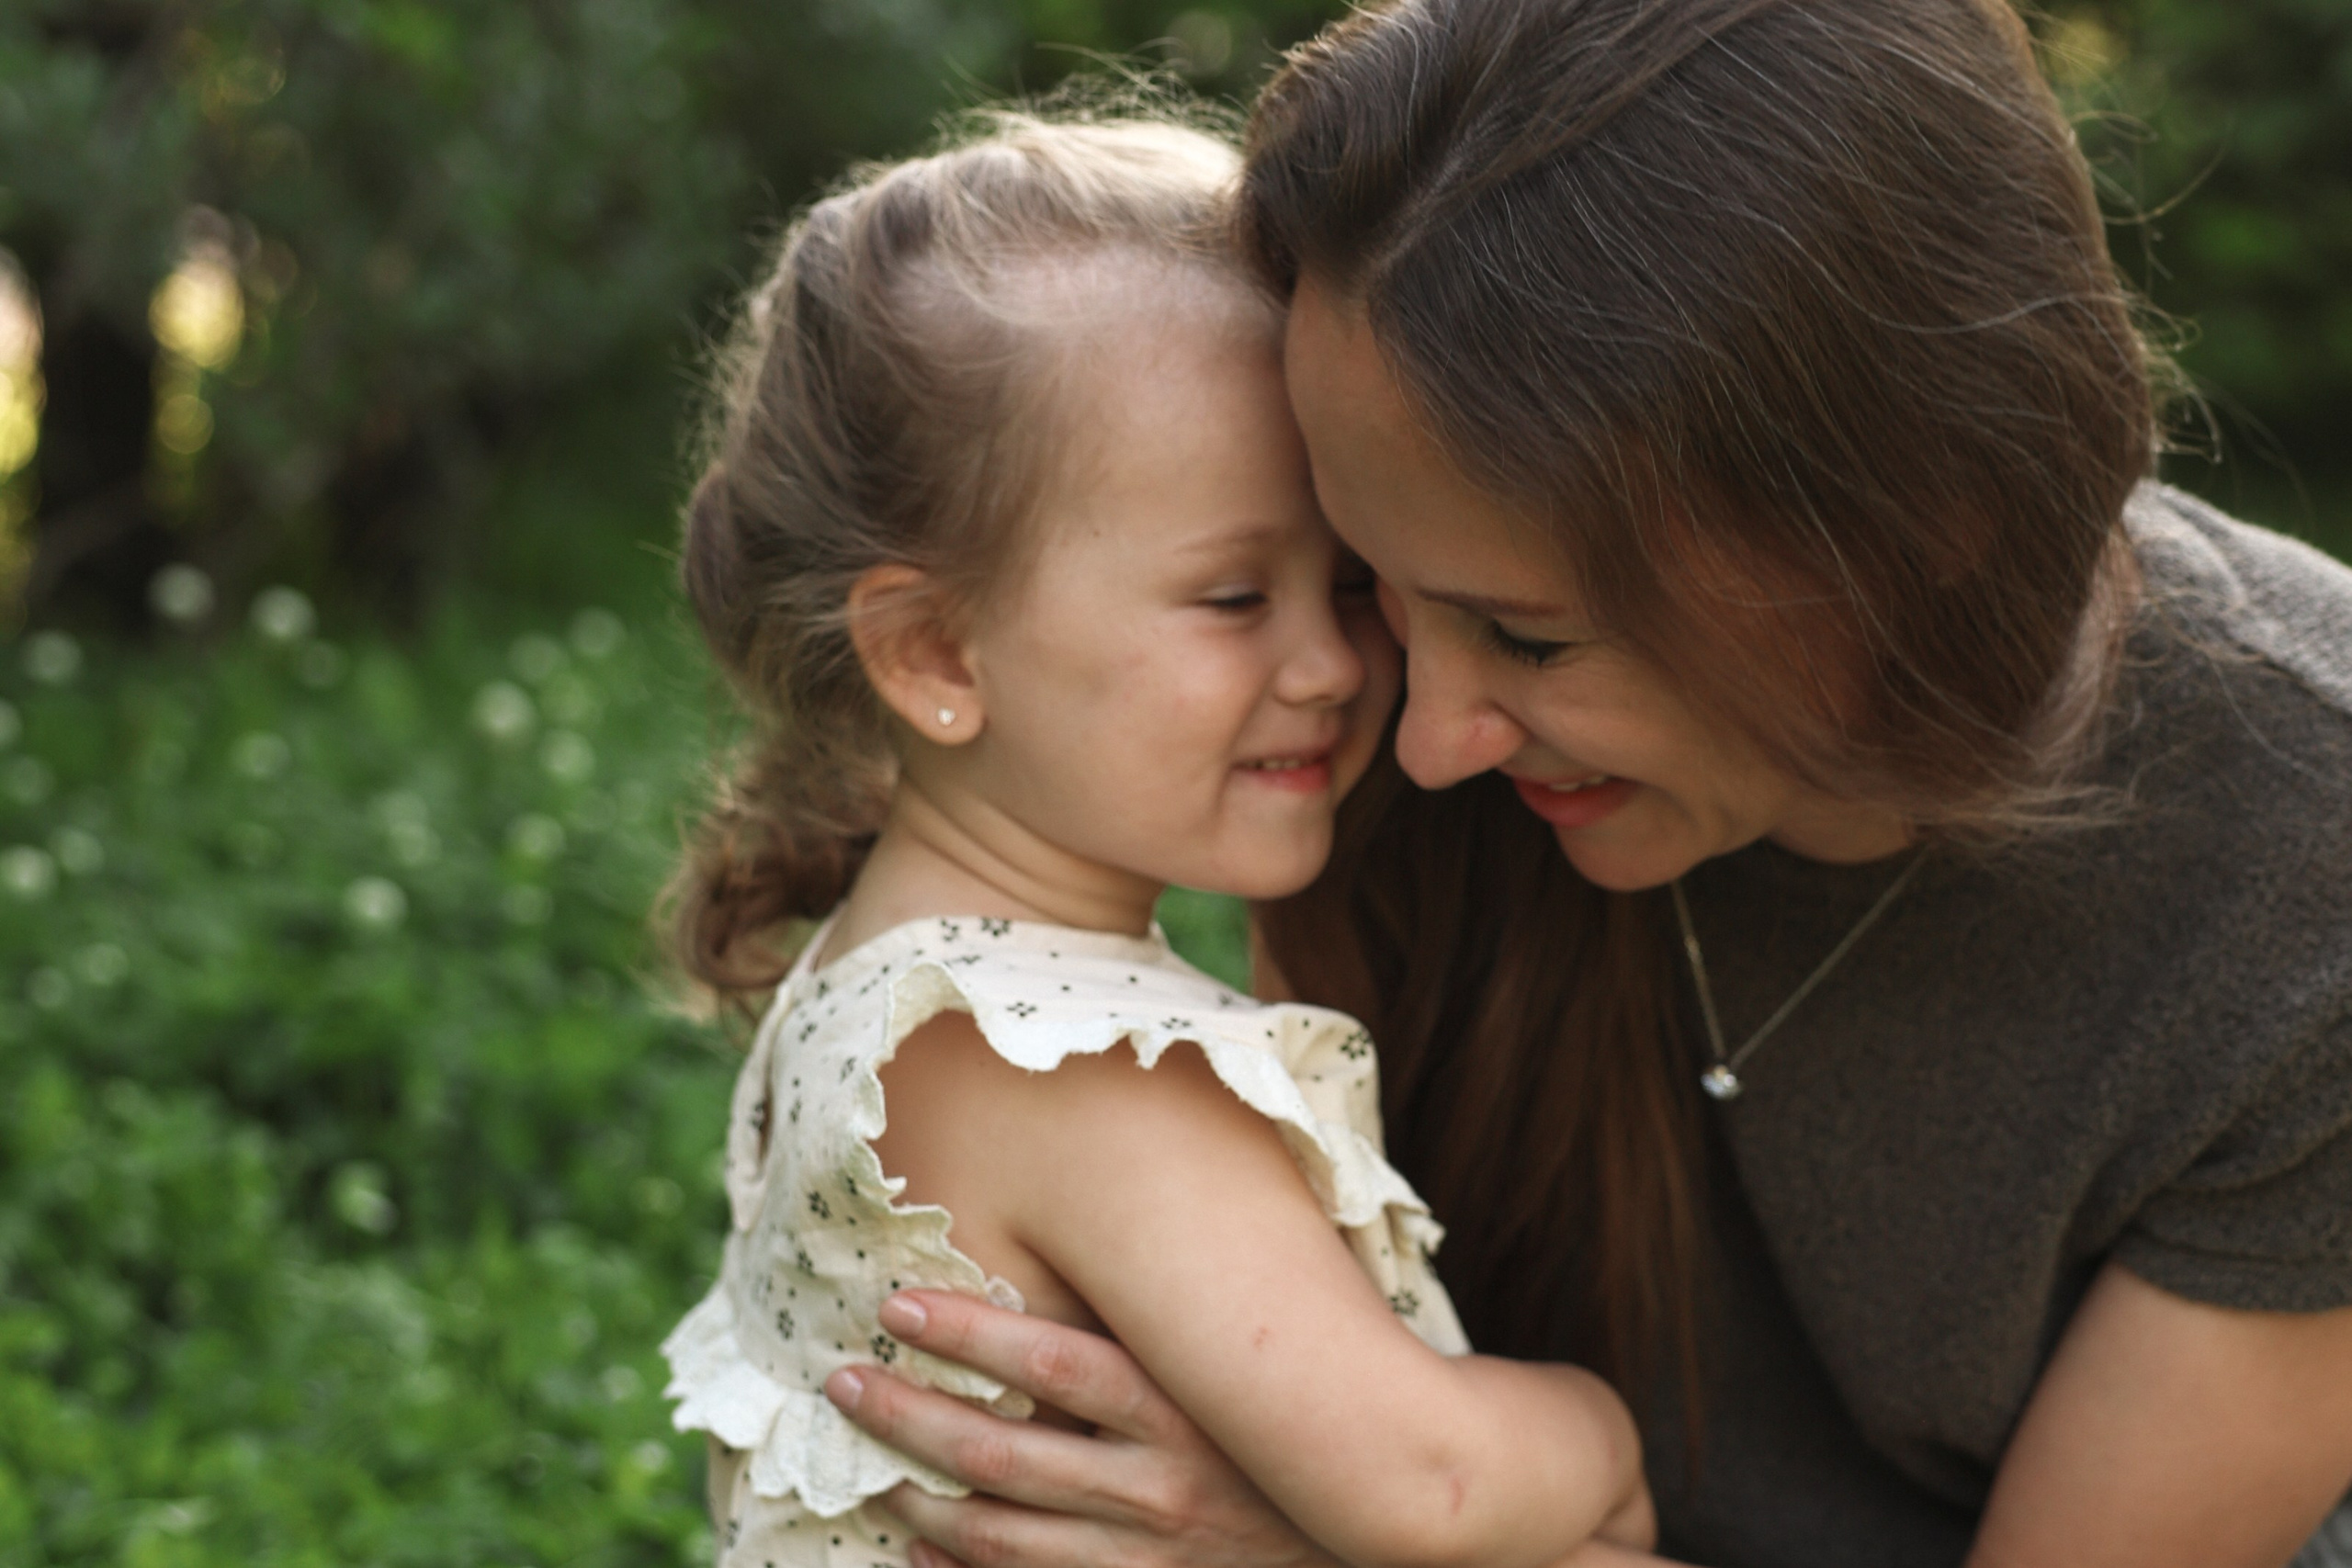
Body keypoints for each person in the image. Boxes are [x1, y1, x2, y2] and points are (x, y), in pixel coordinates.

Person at [807, 4, 2352, 1566]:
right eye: (1373, 580)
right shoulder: (1378, 676)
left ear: (1907, 534)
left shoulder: (2310, 865)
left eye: (1532, 638)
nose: (1414, 741)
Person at [656, 113, 1658, 1568]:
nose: (1330, 664)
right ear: (936, 652)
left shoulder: (881, 986)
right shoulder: (1059, 1066)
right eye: (1235, 598)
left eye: (1351, 581)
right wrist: (1605, 1439)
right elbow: (1430, 1491)